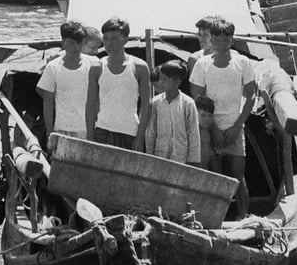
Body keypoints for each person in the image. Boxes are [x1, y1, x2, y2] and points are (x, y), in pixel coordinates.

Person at [190, 19, 257, 218]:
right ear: (211, 40)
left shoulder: (242, 63)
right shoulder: (202, 65)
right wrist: (213, 129)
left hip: (234, 127)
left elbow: (251, 95)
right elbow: (198, 99)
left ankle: (243, 216)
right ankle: (208, 215)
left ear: (232, 40)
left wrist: (238, 126)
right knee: (210, 175)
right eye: (216, 40)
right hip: (208, 129)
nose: (221, 45)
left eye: (226, 40)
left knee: (238, 177)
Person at [37, 21, 100, 141]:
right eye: (71, 43)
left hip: (88, 130)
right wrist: (49, 134)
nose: (76, 47)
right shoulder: (53, 67)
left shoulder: (94, 64)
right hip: (61, 130)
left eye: (79, 42)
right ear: (64, 43)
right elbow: (48, 104)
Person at [95, 18, 151, 151]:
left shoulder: (139, 67)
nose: (109, 43)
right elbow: (91, 103)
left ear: (125, 39)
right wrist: (91, 135)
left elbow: (146, 104)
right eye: (106, 39)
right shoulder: (97, 66)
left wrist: (140, 136)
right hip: (102, 130)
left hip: (129, 132)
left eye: (114, 38)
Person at [145, 61, 201, 166]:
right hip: (159, 156)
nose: (161, 83)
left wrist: (193, 161)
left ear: (177, 82)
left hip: (181, 158)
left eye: (165, 80)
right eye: (160, 78)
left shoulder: (188, 103)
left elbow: (193, 133)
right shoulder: (156, 102)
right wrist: (149, 156)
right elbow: (151, 131)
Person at [194, 95, 221, 171]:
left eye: (210, 116)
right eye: (203, 115)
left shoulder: (208, 131)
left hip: (204, 170)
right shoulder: (190, 131)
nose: (207, 119)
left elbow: (211, 153)